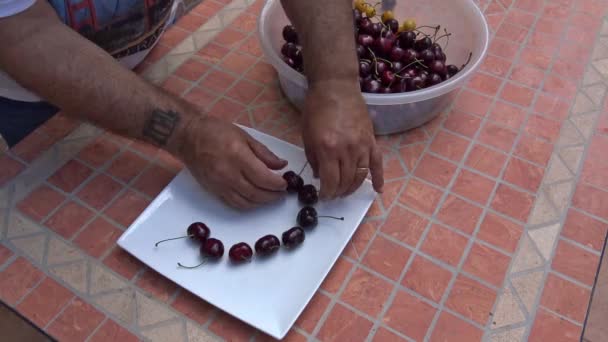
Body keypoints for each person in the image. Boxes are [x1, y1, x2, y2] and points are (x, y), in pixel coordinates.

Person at [0, 0, 384, 209]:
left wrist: (336, 80)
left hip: (145, 55)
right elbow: (22, 30)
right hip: (32, 95)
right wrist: (184, 132)